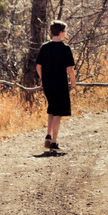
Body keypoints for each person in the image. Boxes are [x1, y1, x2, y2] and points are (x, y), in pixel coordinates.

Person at [35, 20, 76, 152]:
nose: (65, 34)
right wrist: (73, 82)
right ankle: (54, 142)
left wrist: (42, 79)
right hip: (60, 84)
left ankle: (48, 134)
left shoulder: (45, 47)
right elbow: (70, 69)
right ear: (60, 32)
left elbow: (38, 66)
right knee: (58, 112)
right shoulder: (65, 49)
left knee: (51, 108)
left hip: (48, 84)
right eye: (64, 31)